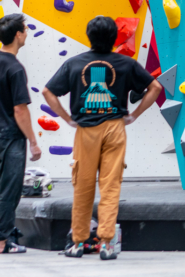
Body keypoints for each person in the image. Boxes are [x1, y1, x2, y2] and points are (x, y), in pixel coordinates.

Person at [42, 17, 163, 260]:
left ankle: (77, 243)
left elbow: (47, 91)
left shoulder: (74, 64)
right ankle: (107, 244)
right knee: (110, 186)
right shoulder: (126, 63)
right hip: (115, 128)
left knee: (83, 186)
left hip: (85, 130)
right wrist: (135, 115)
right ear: (114, 37)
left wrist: (67, 118)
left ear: (89, 36)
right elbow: (156, 88)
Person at [0, 14, 40, 254]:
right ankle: (3, 241)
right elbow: (19, 109)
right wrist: (33, 142)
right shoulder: (15, 68)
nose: (27, 33)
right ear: (18, 35)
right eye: (25, 30)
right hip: (10, 137)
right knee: (9, 190)